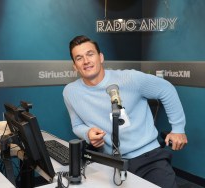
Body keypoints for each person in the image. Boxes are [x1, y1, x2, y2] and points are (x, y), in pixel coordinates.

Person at [63, 35, 188, 188]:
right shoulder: (71, 92)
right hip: (109, 162)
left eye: (90, 54)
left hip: (148, 158)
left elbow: (166, 89)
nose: (86, 61)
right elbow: (76, 125)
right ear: (74, 66)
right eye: (79, 58)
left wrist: (178, 129)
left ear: (101, 57)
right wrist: (87, 134)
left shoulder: (130, 79)